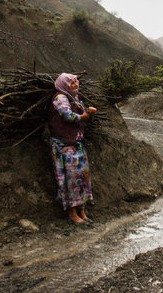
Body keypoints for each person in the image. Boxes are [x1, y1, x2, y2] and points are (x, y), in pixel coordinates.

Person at [49, 73, 97, 224]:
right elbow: (67, 116)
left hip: (76, 144)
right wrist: (84, 116)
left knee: (82, 178)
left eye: (76, 81)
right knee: (71, 179)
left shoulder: (74, 98)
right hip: (65, 146)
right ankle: (72, 212)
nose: (75, 84)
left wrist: (89, 114)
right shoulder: (60, 98)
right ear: (64, 85)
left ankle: (82, 210)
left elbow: (82, 117)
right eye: (71, 83)